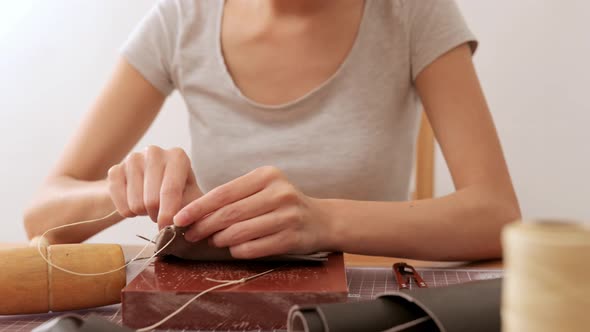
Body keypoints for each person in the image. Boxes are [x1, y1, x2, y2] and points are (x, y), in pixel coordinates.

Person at [24, 0, 520, 261]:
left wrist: (323, 222)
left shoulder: (412, 11)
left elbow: (496, 216)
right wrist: (134, 192)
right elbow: (42, 216)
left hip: (367, 308)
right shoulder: (180, 19)